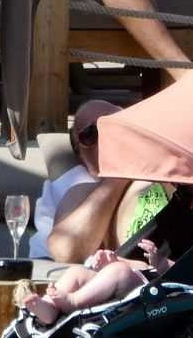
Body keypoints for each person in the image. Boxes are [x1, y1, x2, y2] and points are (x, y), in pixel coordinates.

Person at [30, 100, 172, 264]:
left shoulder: (166, 171)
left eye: (115, 128)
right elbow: (66, 252)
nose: (106, 139)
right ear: (80, 153)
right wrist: (118, 177)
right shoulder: (82, 192)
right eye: (91, 134)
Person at [17, 241, 167, 326]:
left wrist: (161, 261)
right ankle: (49, 307)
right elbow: (141, 266)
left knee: (119, 270)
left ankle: (73, 301)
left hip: (150, 291)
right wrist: (113, 259)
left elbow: (175, 270)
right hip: (134, 278)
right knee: (77, 272)